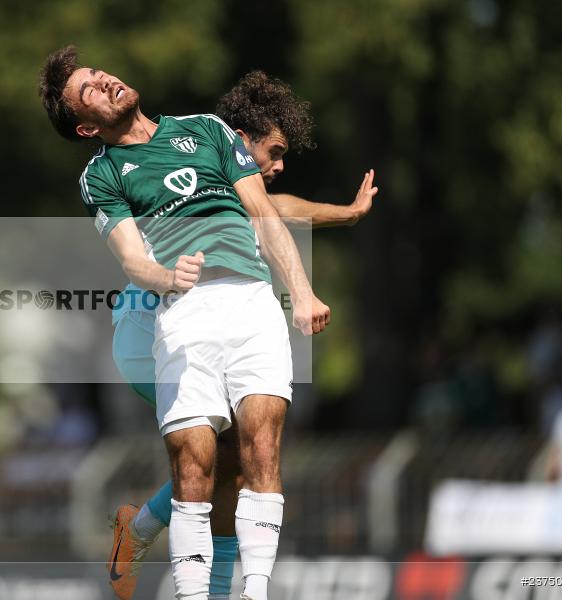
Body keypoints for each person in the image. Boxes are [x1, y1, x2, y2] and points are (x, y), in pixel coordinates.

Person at [40, 47, 331, 600]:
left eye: (100, 74)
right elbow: (132, 260)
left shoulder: (206, 129)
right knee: (206, 461)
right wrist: (166, 278)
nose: (106, 82)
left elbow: (268, 211)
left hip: (245, 304)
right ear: (85, 127)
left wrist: (302, 289)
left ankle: (234, 585)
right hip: (162, 319)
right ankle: (165, 555)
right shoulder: (103, 174)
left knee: (248, 454)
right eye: (90, 90)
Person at [105, 71, 378, 600]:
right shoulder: (202, 165)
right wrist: (343, 217)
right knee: (219, 454)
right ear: (240, 140)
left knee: (238, 459)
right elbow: (275, 210)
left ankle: (181, 562)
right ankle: (143, 535)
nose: (279, 165)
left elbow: (280, 209)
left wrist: (347, 214)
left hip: (196, 327)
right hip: (148, 332)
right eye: (273, 152)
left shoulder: (236, 189)